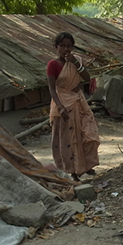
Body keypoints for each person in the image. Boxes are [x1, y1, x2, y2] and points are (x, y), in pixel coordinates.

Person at [47, 32, 100, 181]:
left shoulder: (76, 61)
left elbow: (87, 78)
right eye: (62, 46)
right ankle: (73, 171)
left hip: (78, 101)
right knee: (68, 139)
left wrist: (76, 63)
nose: (65, 49)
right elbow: (52, 88)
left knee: (87, 133)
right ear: (57, 47)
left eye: (68, 46)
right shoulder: (53, 65)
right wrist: (60, 106)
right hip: (63, 102)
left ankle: (87, 165)